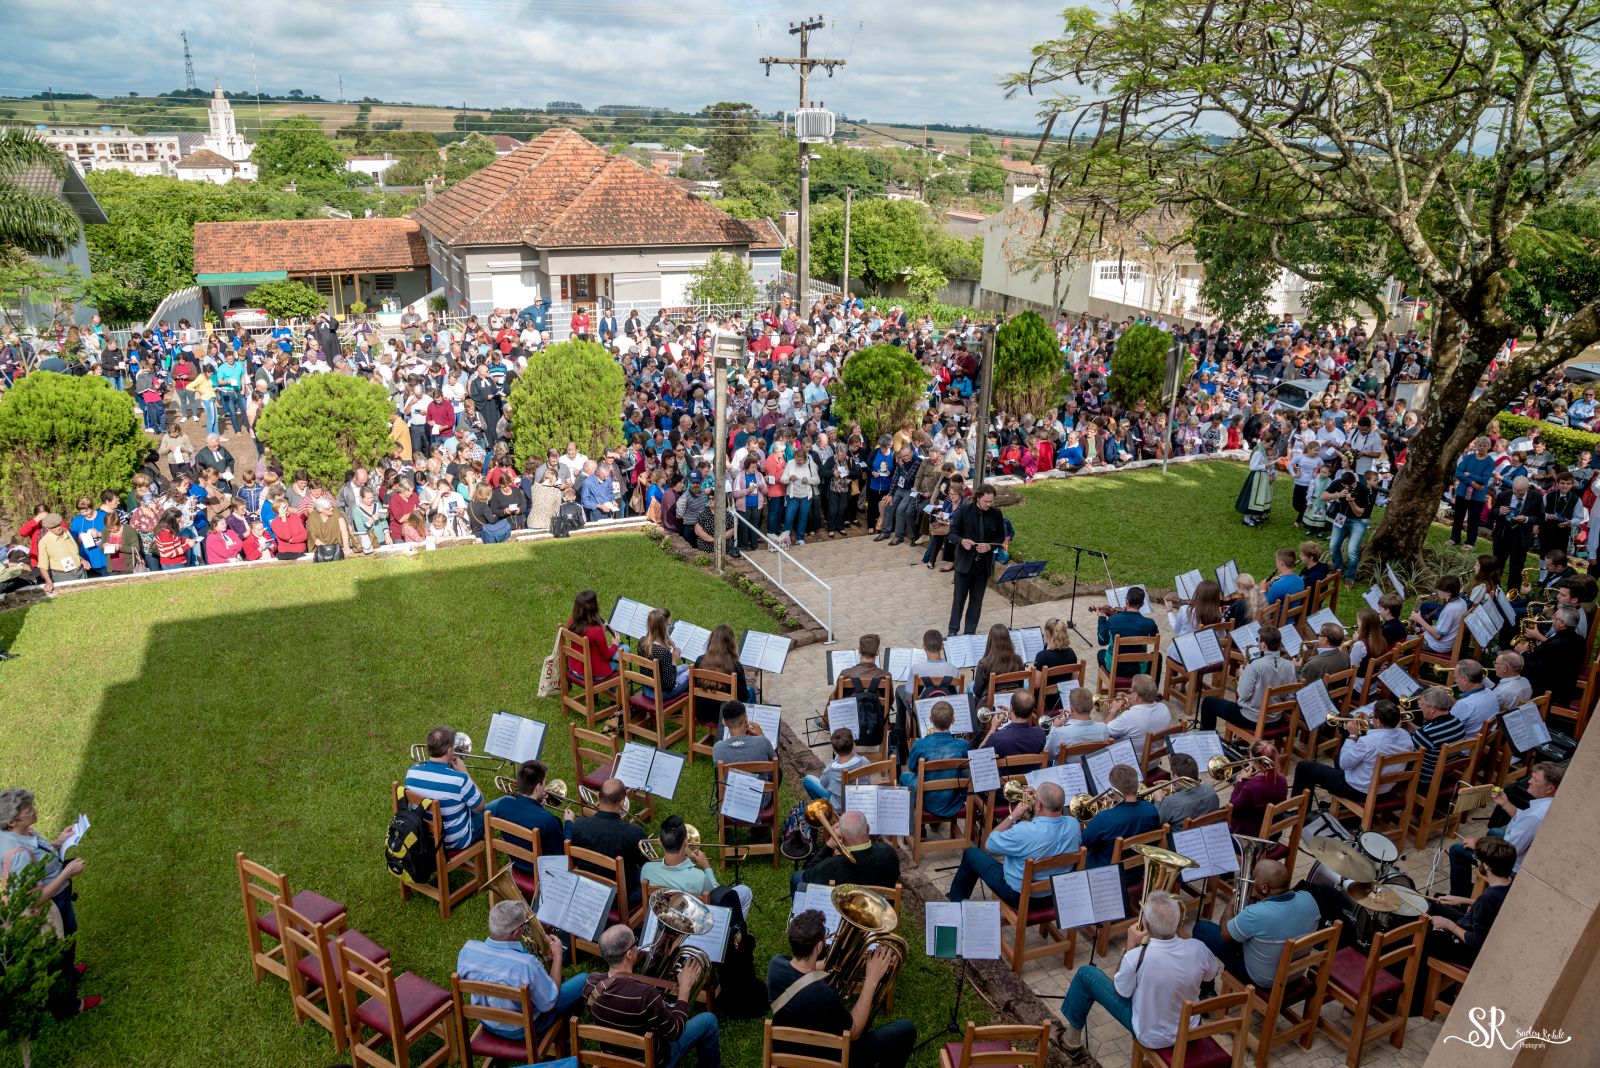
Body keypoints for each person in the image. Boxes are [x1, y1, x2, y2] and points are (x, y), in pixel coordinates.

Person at [1057, 891, 1219, 1064]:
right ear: (1179, 922)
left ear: (1147, 926)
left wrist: (1130, 947)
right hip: (1191, 1029)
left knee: (1086, 974)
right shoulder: (1199, 948)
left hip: (1152, 1037)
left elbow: (1121, 991)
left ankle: (1070, 1041)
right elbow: (1210, 975)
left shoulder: (1137, 956)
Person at [768, 910, 915, 1068]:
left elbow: (807, 970)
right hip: (830, 1059)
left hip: (786, 1052)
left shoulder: (776, 966)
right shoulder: (825, 996)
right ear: (818, 946)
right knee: (905, 1030)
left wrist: (853, 958)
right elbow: (854, 1032)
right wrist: (872, 979)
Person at [0, 788, 98, 1017]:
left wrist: (58, 842)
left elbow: (38, 858)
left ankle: (70, 974)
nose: (34, 811)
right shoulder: (19, 855)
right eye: (29, 811)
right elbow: (31, 899)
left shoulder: (14, 833)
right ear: (13, 821)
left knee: (68, 942)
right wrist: (66, 873)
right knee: (59, 950)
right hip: (51, 906)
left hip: (59, 899)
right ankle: (69, 1006)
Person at [583, 924, 719, 1068]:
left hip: (612, 1057)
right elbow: (675, 1031)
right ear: (629, 954)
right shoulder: (646, 996)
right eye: (635, 942)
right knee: (709, 1021)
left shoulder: (590, 984)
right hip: (653, 1062)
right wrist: (685, 989)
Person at [1410, 838, 1518, 1015]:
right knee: (1432, 905)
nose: (1477, 862)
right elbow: (1492, 908)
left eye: (1478, 859)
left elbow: (1477, 942)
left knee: (1425, 939)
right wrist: (1463, 900)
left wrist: (1448, 925)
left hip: (1473, 951)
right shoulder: (1511, 881)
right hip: (1478, 928)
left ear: (1488, 867)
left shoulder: (1487, 899)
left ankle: (1419, 1002)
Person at [456, 900, 587, 1042]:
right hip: (521, 1029)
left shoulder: (467, 950)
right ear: (517, 932)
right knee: (585, 979)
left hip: (486, 1021)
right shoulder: (527, 965)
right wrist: (557, 958)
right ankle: (566, 1035)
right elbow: (549, 1005)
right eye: (524, 925)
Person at [945, 782, 1077, 907]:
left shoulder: (1023, 831)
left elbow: (989, 845)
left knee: (971, 853)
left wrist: (1013, 816)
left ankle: (955, 902)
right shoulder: (1074, 825)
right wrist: (1039, 797)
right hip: (1055, 895)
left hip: (1019, 897)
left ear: (1038, 806)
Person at [1192, 859, 1320, 987]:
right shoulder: (1308, 898)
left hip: (1264, 980)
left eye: (1253, 877)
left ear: (1264, 888)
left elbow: (1225, 934)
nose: (1251, 879)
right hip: (1295, 973)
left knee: (1202, 929)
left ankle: (1206, 990)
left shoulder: (1256, 914)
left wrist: (1232, 902)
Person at [1449, 762, 1561, 894]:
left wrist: (1478, 847)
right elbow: (1522, 821)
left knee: (1457, 850)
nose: (1529, 781)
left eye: (1535, 780)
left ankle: (1459, 897)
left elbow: (1510, 852)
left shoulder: (1536, 816)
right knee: (1495, 831)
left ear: (1549, 789)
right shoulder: (1546, 804)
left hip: (1511, 866)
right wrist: (1505, 803)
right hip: (1516, 851)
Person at [1289, 700, 1415, 804]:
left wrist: (1352, 735)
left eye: (1373, 716)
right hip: (1385, 790)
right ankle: (1340, 807)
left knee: (1304, 767)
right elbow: (1383, 738)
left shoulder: (1367, 742)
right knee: (1341, 758)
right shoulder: (1406, 736)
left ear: (1378, 721)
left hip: (1360, 791)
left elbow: (1344, 764)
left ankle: (1299, 810)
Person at [640, 814, 753, 918]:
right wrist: (706, 867)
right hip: (692, 922)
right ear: (686, 841)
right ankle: (733, 932)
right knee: (745, 891)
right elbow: (717, 897)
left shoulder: (647, 869)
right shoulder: (699, 878)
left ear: (660, 841)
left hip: (664, 918)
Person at [1198, 625, 1296, 732]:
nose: (1257, 643)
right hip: (1276, 720)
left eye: (1258, 640)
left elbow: (1244, 695)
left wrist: (1241, 676)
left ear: (1263, 645)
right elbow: (1291, 698)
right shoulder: (1289, 665)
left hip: (1252, 720)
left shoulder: (1255, 665)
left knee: (1209, 702)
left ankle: (1207, 740)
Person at [569, 779, 648, 909]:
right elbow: (646, 866)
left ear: (599, 797)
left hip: (587, 891)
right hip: (619, 901)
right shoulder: (633, 833)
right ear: (622, 802)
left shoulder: (578, 825)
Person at [404, 725, 487, 849]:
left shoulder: (412, 772)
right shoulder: (459, 779)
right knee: (494, 809)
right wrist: (465, 772)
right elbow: (479, 806)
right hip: (453, 840)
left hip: (424, 836)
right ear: (449, 752)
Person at [792, 810, 900, 897]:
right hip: (883, 915)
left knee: (797, 877)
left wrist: (829, 845)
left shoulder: (832, 866)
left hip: (846, 916)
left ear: (841, 838)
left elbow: (807, 874)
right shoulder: (889, 852)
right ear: (868, 828)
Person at [947, 484, 1006, 636]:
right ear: (978, 497)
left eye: (991, 501)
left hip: (982, 566)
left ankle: (969, 633)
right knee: (959, 600)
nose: (989, 504)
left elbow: (1000, 537)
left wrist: (989, 547)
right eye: (986, 501)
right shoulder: (964, 510)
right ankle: (953, 631)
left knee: (976, 601)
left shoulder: (996, 514)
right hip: (964, 563)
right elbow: (952, 533)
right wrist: (962, 541)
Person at [483, 759, 566, 868]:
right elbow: (561, 857)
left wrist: (537, 807)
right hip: (539, 873)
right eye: (544, 783)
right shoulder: (548, 820)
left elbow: (524, 816)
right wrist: (568, 823)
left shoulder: (502, 804)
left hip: (516, 863)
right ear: (537, 787)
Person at [1081, 765, 1162, 868]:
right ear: (1137, 785)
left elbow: (1084, 843)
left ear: (1114, 789)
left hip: (1108, 871)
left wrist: (1104, 815)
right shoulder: (1151, 809)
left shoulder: (1104, 818)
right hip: (1138, 869)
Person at [901, 699, 970, 818]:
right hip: (952, 801)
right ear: (953, 720)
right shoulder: (963, 745)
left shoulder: (919, 744)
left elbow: (912, 767)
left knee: (904, 776)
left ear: (930, 719)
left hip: (926, 800)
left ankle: (916, 818)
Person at [1517, 605, 1586, 705]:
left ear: (1562, 624)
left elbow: (1536, 672)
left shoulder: (1555, 645)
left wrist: (1523, 653)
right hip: (1565, 685)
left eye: (1555, 618)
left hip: (1551, 692)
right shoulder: (1579, 639)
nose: (1552, 619)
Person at [1104, 675, 1172, 769]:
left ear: (1136, 696)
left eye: (1131, 691)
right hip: (1153, 763)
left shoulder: (1129, 716)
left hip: (1131, 767)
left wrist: (1113, 710)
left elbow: (1105, 731)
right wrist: (1131, 700)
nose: (1130, 693)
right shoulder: (1165, 709)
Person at [1225, 742, 1289, 838]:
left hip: (1251, 839)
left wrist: (1240, 782)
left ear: (1255, 761)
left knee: (1220, 815)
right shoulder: (1283, 780)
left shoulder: (1250, 786)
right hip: (1273, 836)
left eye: (1250, 758)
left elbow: (1232, 810)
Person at [1491, 475, 1544, 590]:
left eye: (1521, 492)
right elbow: (1492, 512)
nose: (1517, 494)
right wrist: (1499, 511)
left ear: (1527, 488)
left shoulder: (1536, 497)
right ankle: (1494, 590)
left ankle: (1512, 594)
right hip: (1503, 534)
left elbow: (1540, 517)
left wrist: (1526, 519)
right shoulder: (1504, 495)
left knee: (1517, 567)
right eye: (1515, 491)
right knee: (1497, 565)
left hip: (1521, 537)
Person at [1407, 687, 1465, 788]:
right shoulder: (1457, 723)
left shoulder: (1426, 734)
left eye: (1422, 704)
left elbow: (1404, 755)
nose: (1420, 707)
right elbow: (1429, 736)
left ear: (1432, 709)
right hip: (1446, 775)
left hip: (1424, 781)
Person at [692, 623, 750, 725]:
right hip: (726, 716)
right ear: (731, 644)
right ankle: (747, 729)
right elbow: (744, 697)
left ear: (711, 641)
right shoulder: (736, 666)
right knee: (751, 692)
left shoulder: (700, 660)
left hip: (702, 713)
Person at [1095, 585, 1159, 671]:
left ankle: (1112, 681)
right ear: (1142, 604)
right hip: (1139, 669)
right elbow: (1155, 636)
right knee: (1157, 656)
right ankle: (1150, 684)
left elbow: (1102, 641)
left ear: (1127, 602)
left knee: (1101, 653)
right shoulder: (1150, 623)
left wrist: (1102, 619)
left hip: (1115, 668)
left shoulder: (1113, 620)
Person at [564, 588, 619, 685]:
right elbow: (607, 655)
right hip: (594, 674)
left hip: (575, 669)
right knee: (625, 650)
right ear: (594, 608)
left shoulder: (571, 622)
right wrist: (615, 644)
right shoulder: (596, 631)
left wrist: (599, 629)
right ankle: (615, 694)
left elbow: (587, 633)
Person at [802, 728, 868, 809]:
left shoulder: (830, 770)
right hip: (860, 801)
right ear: (854, 745)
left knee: (807, 780)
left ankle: (823, 810)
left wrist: (833, 762)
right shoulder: (865, 761)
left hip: (839, 807)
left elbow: (824, 784)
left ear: (834, 749)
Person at [1451, 436, 1496, 546]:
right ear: (1476, 446)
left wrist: (1470, 474)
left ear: (1489, 447)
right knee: (1458, 517)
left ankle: (1470, 542)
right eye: (1480, 445)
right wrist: (1473, 483)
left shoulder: (1490, 462)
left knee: (1473, 520)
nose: (1481, 448)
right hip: (1462, 492)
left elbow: (1484, 479)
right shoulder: (1469, 457)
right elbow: (1459, 472)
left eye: (1484, 446)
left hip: (1477, 496)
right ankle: (1454, 538)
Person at [1410, 576, 1468, 656]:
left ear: (1448, 592)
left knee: (1402, 640)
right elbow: (1444, 628)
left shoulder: (1450, 610)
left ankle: (1406, 666)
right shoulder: (1462, 602)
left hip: (1436, 646)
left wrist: (1419, 619)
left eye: (1440, 589)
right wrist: (1421, 629)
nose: (1437, 591)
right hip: (1446, 643)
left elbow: (1437, 636)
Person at [1155, 754, 1220, 826]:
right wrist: (1175, 788)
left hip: (1181, 836)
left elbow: (1156, 823)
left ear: (1176, 777)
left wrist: (1158, 800)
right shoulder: (1210, 789)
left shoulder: (1170, 801)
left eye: (1171, 774)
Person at [979, 690, 1047, 757]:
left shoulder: (997, 738)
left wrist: (993, 728)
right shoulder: (1041, 734)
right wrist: (1013, 716)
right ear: (1032, 711)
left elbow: (979, 757)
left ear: (1011, 708)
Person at [1045, 686, 1110, 756]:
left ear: (1071, 709)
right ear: (1092, 708)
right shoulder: (1103, 728)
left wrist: (1054, 728)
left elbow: (1048, 755)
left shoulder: (1058, 733)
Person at [711, 700, 775, 770]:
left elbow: (718, 774)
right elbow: (775, 763)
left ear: (724, 723)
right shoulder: (763, 742)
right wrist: (761, 735)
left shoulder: (718, 748)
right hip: (760, 781)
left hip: (730, 781)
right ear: (746, 719)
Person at [35, 512, 86, 593]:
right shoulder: (44, 542)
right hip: (63, 576)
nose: (58, 528)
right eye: (54, 527)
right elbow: (43, 566)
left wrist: (82, 560)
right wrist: (48, 582)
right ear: (48, 528)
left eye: (59, 525)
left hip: (80, 572)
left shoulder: (66, 531)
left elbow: (73, 551)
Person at [1235, 427, 1277, 526]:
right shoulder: (1258, 452)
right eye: (1268, 444)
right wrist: (1265, 466)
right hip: (1256, 478)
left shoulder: (1262, 451)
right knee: (1252, 497)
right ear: (1263, 442)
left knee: (1259, 496)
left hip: (1262, 477)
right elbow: (1253, 467)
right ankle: (1247, 518)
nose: (1269, 447)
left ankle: (1254, 515)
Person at [1449, 659, 1500, 736]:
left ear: (1465, 679)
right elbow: (1468, 711)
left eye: (1456, 677)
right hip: (1481, 739)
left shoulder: (1464, 704)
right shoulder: (1490, 693)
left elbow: (1447, 730)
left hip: (1463, 745)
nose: (1455, 680)